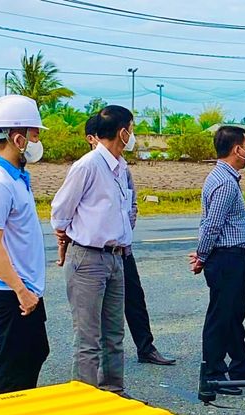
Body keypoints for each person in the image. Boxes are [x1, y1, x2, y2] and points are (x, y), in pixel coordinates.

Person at [51, 105, 135, 395]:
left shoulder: (120, 167)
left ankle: (113, 391)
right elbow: (61, 210)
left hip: (116, 257)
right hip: (88, 257)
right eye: (131, 130)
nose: (132, 136)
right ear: (122, 133)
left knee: (114, 334)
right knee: (88, 338)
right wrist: (65, 236)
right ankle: (85, 399)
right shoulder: (88, 165)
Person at [84, 114, 174, 366]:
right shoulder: (88, 167)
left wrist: (123, 230)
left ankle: (146, 347)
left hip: (123, 249)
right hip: (96, 252)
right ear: (91, 139)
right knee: (95, 310)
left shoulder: (122, 168)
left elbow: (131, 203)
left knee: (134, 299)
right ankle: (97, 361)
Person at [0, 95, 51, 395]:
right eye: (35, 135)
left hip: (26, 287)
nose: (37, 141)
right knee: (13, 370)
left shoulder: (16, 176)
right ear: (18, 139)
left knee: (35, 353)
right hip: (11, 290)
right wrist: (21, 291)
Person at [189, 126, 245, 395]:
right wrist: (202, 255)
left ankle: (240, 365)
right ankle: (213, 374)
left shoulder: (225, 177)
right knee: (221, 316)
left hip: (231, 256)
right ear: (237, 150)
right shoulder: (224, 182)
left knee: (234, 314)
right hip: (226, 257)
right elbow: (212, 225)